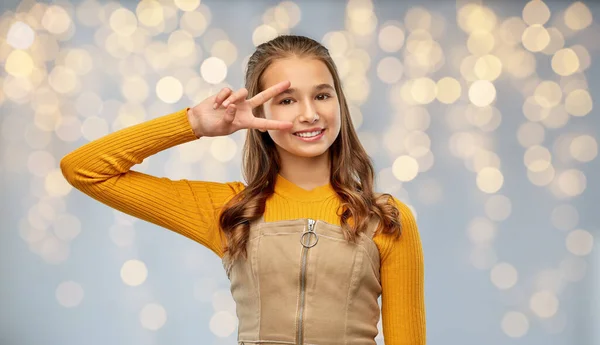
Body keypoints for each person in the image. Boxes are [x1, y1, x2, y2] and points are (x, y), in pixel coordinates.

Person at [61, 35, 425, 344]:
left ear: (339, 104)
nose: (309, 114)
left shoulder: (384, 219)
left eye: (322, 96)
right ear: (259, 112)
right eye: (287, 100)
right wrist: (193, 123)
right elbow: (84, 170)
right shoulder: (232, 209)